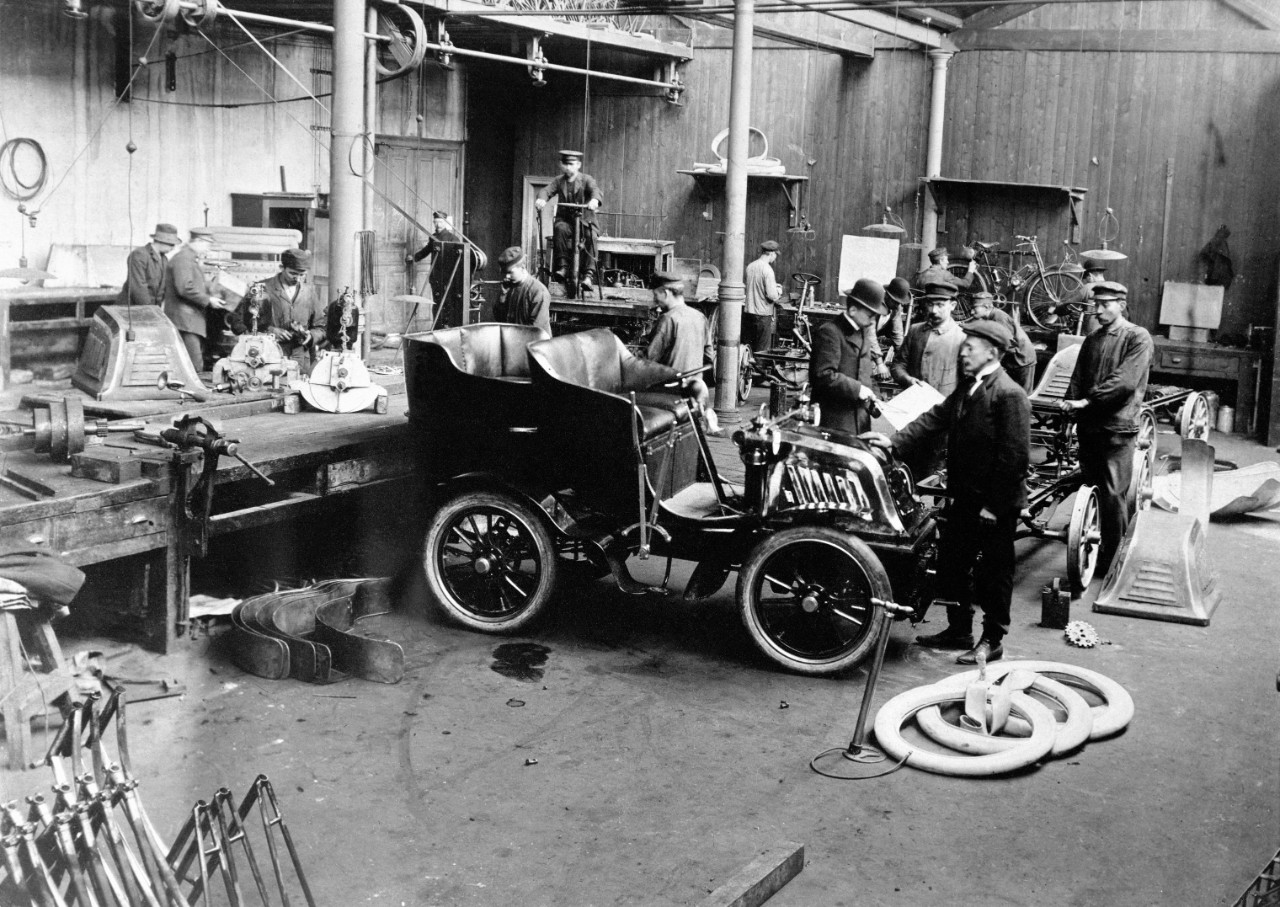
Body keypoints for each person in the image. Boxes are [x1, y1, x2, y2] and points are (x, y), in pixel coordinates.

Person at [861, 319, 1031, 665]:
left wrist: (994, 507)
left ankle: (993, 639)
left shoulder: (1009, 394)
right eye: (964, 344)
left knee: (994, 573)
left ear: (993, 352)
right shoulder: (969, 386)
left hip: (992, 505)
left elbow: (1014, 459)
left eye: (971, 346)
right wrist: (892, 441)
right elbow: (934, 417)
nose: (964, 351)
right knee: (955, 564)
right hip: (963, 497)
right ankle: (960, 630)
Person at [1059, 281, 1154, 572]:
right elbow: (1077, 380)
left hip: (1117, 428)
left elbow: (1124, 382)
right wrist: (1068, 411)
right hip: (1089, 428)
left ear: (1121, 305)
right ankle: (1094, 546)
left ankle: (1116, 561)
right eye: (1095, 305)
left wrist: (1087, 403)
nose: (1097, 311)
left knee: (1113, 495)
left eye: (1105, 305)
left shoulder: (1138, 337)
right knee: (1090, 487)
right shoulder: (1092, 339)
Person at [809, 278, 887, 435]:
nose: (873, 322)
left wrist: (876, 399)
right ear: (852, 311)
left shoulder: (863, 331)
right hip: (834, 421)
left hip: (860, 420)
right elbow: (822, 376)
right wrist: (858, 389)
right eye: (870, 315)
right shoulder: (830, 332)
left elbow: (866, 373)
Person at [163, 228, 230, 370]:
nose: (208, 249)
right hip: (185, 319)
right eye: (207, 244)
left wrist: (213, 288)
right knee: (194, 365)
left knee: (192, 363)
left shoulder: (189, 259)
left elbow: (193, 284)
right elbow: (185, 288)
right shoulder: (183, 259)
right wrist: (209, 300)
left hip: (190, 318)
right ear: (197, 241)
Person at [534, 150, 602, 291]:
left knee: (591, 236)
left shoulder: (586, 180)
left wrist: (595, 200)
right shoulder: (559, 181)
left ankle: (589, 276)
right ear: (561, 165)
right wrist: (541, 198)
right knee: (559, 228)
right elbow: (546, 190)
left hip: (585, 223)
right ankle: (563, 267)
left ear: (578, 165)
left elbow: (595, 190)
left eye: (571, 164)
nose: (568, 167)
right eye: (565, 164)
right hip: (566, 222)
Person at [255, 248, 327, 373]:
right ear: (282, 267)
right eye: (293, 273)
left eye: (302, 274)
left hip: (301, 361)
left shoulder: (309, 293)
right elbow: (243, 322)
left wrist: (310, 336)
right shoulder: (263, 288)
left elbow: (321, 326)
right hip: (269, 358)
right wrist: (270, 331)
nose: (298, 278)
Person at [891, 281, 966, 397]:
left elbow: (967, 382)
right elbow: (898, 365)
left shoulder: (962, 338)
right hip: (913, 403)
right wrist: (907, 379)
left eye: (940, 305)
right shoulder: (915, 330)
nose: (933, 311)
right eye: (930, 304)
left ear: (953, 305)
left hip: (943, 408)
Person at [970, 291, 1037, 391]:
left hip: (1022, 360)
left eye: (974, 308)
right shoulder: (990, 318)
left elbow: (1007, 344)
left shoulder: (999, 317)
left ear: (987, 307)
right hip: (1015, 360)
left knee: (1023, 396)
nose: (971, 312)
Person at [406, 210, 471, 302]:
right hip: (435, 276)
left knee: (447, 303)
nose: (438, 225)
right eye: (435, 222)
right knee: (436, 303)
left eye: (440, 222)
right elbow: (427, 250)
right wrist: (415, 257)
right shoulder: (433, 237)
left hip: (449, 277)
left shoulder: (453, 238)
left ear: (445, 223)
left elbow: (458, 260)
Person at [118, 223, 180, 307]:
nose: (173, 248)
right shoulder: (139, 254)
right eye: (171, 244)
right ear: (161, 241)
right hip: (132, 308)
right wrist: (150, 310)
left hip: (151, 309)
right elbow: (139, 287)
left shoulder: (164, 259)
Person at [494, 246, 552, 337]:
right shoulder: (509, 287)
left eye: (510, 272)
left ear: (522, 267)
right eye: (505, 273)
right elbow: (499, 319)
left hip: (536, 346)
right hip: (515, 342)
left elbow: (535, 330)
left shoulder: (538, 291)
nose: (507, 277)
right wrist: (502, 298)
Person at [743, 240, 782, 353]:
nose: (775, 258)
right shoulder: (768, 270)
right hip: (762, 316)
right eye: (775, 255)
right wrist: (778, 291)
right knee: (762, 351)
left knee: (748, 349)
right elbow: (772, 295)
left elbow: (754, 286)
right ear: (771, 253)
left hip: (748, 313)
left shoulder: (750, 266)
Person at [874, 276, 911, 378]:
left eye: (899, 303)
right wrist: (880, 364)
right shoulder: (874, 304)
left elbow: (898, 334)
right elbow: (869, 336)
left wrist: (903, 360)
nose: (898, 305)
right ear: (887, 296)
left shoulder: (896, 308)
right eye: (895, 301)